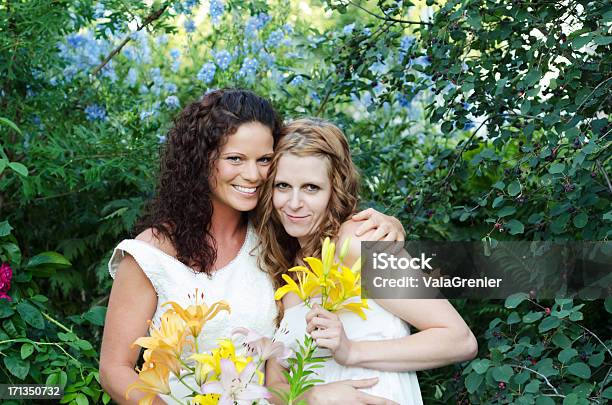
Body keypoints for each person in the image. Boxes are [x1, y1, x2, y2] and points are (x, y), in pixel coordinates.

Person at [99, 90, 404, 405]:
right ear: (201, 161)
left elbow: (282, 372)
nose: (253, 175)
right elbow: (115, 370)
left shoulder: (276, 241)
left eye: (265, 160)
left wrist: (387, 225)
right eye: (235, 159)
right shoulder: (152, 253)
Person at [258, 118, 478, 405]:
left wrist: (351, 351)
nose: (294, 202)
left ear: (334, 190)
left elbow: (458, 339)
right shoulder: (287, 269)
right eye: (283, 186)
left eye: (311, 188)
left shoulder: (357, 243)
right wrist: (312, 397)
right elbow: (275, 385)